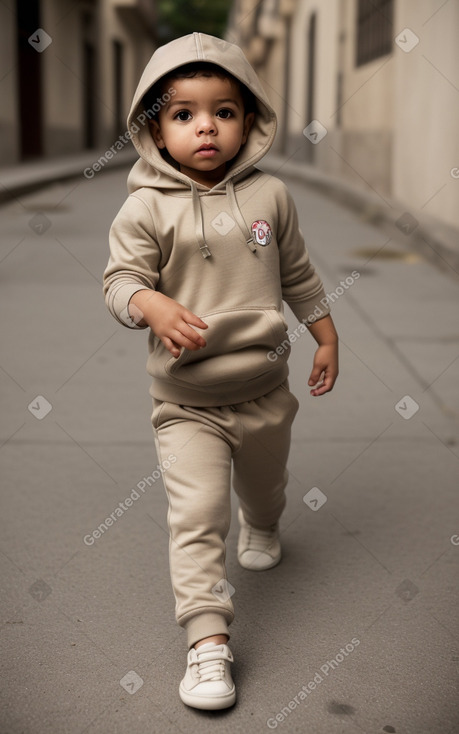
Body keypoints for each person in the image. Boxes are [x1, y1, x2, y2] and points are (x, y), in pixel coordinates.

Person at [103, 31, 338, 711]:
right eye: (183, 114)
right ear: (155, 128)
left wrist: (324, 334)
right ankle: (208, 644)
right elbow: (118, 280)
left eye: (224, 111)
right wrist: (148, 302)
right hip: (187, 402)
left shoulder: (271, 196)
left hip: (265, 390)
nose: (205, 125)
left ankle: (264, 520)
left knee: (263, 490)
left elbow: (296, 272)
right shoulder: (144, 206)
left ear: (248, 121)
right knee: (198, 516)